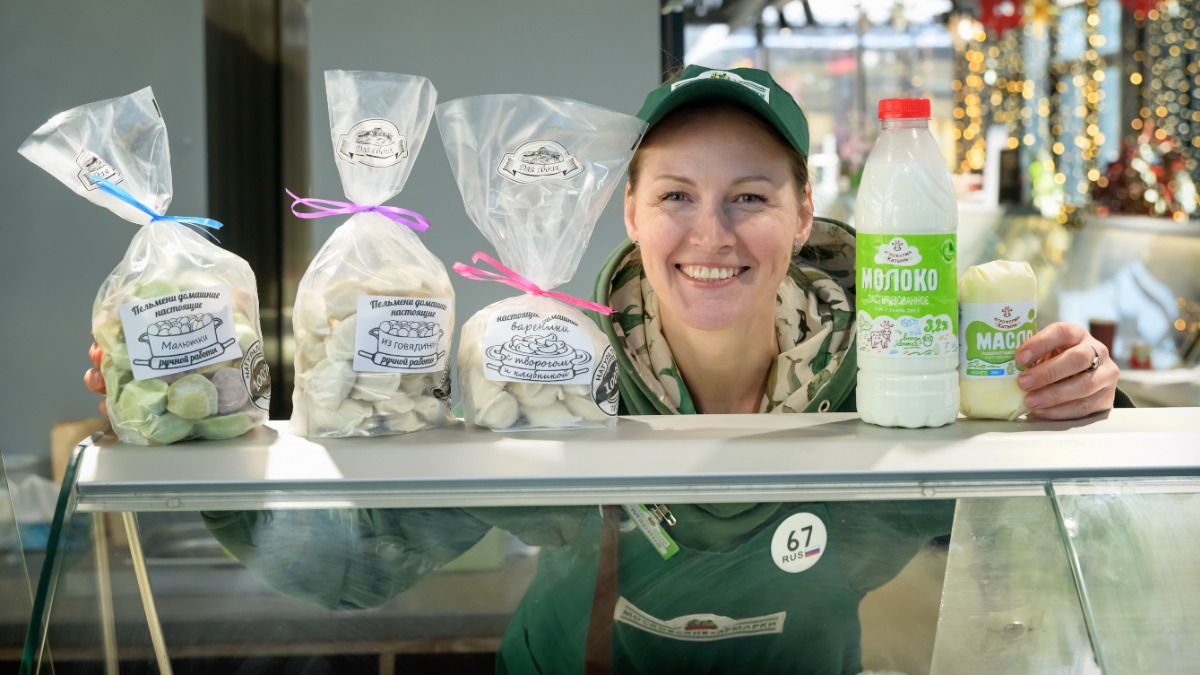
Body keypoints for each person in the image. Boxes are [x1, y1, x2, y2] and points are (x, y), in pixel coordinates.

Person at [83, 65, 1129, 674]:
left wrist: (1075, 397)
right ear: (627, 213)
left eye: (750, 196)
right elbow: (357, 567)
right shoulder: (551, 382)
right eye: (675, 194)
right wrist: (206, 441)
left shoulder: (893, 369)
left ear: (806, 214)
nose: (709, 233)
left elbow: (1059, 530)